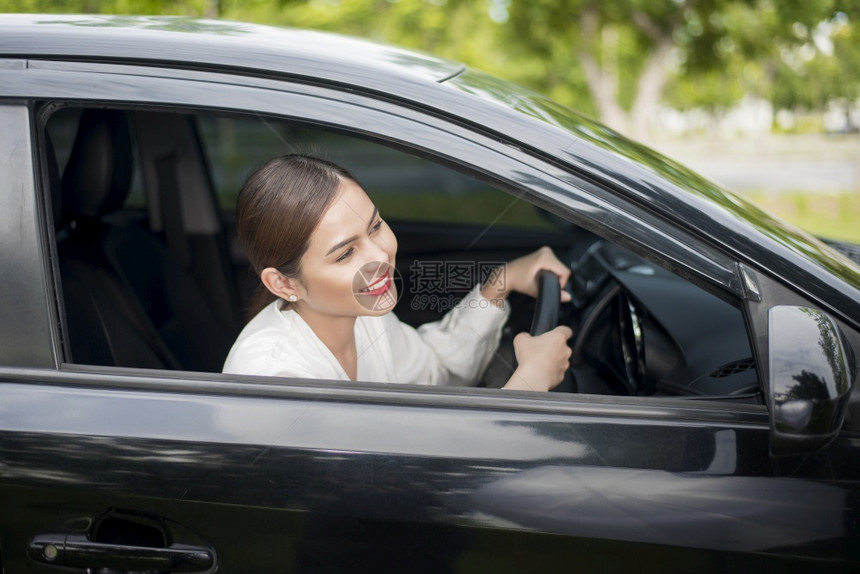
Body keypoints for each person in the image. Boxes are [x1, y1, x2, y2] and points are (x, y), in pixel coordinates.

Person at [222, 154, 573, 391]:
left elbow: (436, 371)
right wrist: (529, 384)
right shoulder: (272, 378)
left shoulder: (362, 316)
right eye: (345, 253)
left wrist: (502, 281)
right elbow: (373, 490)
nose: (381, 257)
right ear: (282, 283)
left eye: (375, 227)